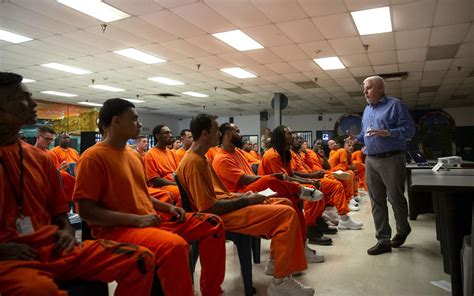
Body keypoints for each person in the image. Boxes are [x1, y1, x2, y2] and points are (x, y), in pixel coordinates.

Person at [0, 72, 155, 295]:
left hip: (54, 248)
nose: (33, 103)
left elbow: (60, 213)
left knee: (140, 260)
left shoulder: (40, 158)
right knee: (42, 290)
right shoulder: (87, 155)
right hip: (12, 260)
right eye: (21, 98)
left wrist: (67, 231)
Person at [74, 99, 226, 296]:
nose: (139, 124)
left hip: (148, 220)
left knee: (213, 223)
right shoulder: (92, 157)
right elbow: (86, 211)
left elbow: (142, 193)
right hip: (118, 230)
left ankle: (212, 291)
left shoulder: (134, 155)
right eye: (134, 119)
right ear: (116, 121)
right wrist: (137, 220)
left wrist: (167, 208)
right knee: (176, 247)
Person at [177, 114, 315, 296]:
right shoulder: (194, 161)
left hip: (227, 203)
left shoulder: (202, 158)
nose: (219, 134)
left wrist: (247, 195)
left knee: (285, 202)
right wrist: (247, 200)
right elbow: (208, 208)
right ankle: (280, 281)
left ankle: (277, 261)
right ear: (204, 133)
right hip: (217, 215)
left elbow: (220, 193)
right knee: (286, 214)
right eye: (217, 130)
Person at [213, 122, 324, 263]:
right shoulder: (222, 158)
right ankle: (300, 190)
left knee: (292, 203)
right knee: (272, 181)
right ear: (228, 135)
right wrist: (271, 177)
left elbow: (263, 169)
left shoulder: (239, 152)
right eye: (237, 131)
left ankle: (299, 248)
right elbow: (246, 180)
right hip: (240, 195)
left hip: (252, 189)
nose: (240, 134)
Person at [351, 75, 415, 255]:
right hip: (371, 160)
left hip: (392, 159)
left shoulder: (395, 105)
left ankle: (403, 229)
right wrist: (356, 139)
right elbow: (366, 133)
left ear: (380, 89)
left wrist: (388, 132)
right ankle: (383, 240)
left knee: (395, 198)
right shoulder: (366, 110)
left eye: (369, 88)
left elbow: (410, 130)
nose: (365, 92)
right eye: (364, 89)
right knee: (376, 201)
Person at [144, 125, 181, 205]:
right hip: (162, 187)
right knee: (182, 192)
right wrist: (176, 184)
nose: (170, 135)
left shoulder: (171, 153)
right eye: (166, 133)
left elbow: (178, 173)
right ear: (157, 136)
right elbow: (155, 181)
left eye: (170, 133)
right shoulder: (150, 154)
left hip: (174, 184)